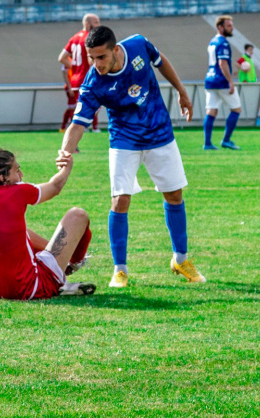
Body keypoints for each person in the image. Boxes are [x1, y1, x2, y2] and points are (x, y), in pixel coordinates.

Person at [59, 25, 204, 288]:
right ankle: (120, 270)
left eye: (101, 57)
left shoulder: (138, 44)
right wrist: (65, 151)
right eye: (92, 58)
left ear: (115, 50)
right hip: (124, 141)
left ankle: (180, 260)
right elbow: (78, 123)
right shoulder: (93, 83)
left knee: (174, 195)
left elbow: (162, 62)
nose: (97, 64)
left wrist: (182, 92)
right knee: (120, 200)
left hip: (159, 133)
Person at [0, 148, 95, 300]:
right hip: (30, 288)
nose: (21, 175)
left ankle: (60, 270)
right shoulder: (15, 192)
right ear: (2, 178)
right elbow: (55, 187)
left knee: (18, 232)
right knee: (77, 215)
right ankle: (74, 264)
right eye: (17, 170)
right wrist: (67, 166)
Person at [203, 15, 243, 151]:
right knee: (236, 109)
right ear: (220, 27)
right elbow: (222, 62)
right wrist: (230, 82)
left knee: (211, 111)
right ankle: (226, 140)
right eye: (229, 26)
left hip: (210, 79)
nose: (232, 28)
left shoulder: (212, 41)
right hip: (221, 81)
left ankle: (207, 143)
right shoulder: (223, 43)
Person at [58, 14, 100, 131]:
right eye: (96, 22)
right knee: (93, 106)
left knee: (80, 109)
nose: (98, 25)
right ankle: (89, 128)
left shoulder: (74, 37)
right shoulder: (90, 37)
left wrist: (76, 68)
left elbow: (62, 58)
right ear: (87, 23)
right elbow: (91, 61)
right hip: (87, 79)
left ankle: (78, 131)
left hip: (76, 80)